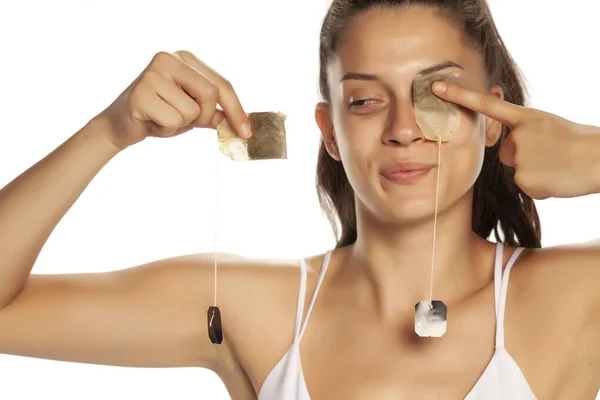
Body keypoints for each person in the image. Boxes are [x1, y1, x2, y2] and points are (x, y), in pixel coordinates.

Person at [0, 0, 598, 398]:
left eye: (435, 93)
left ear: (491, 118)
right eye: (365, 100)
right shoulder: (251, 309)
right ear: (331, 131)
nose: (403, 128)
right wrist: (108, 132)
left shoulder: (572, 298)